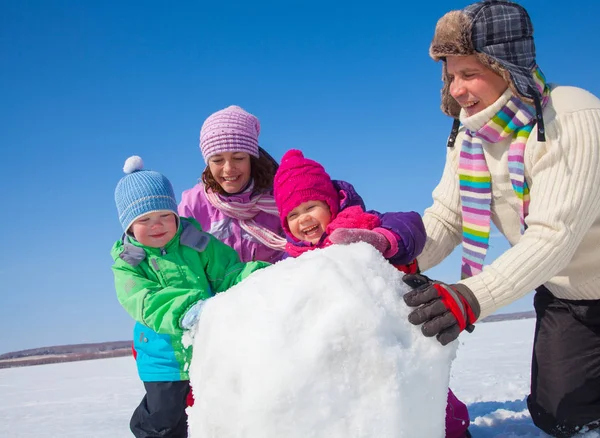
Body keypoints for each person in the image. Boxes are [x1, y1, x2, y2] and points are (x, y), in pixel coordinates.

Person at [400, 1, 600, 437]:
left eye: (469, 73)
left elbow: (553, 235)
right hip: (567, 293)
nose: (457, 89)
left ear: (507, 67)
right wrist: (400, 254)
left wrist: (469, 296)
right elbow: (447, 218)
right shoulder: (468, 136)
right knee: (558, 416)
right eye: (451, 76)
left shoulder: (570, 115)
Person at [273, 149, 471, 438]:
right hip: (341, 348)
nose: (303, 219)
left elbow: (410, 225)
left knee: (426, 393)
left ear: (330, 203)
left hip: (393, 334)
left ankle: (455, 432)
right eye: (293, 214)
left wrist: (382, 240)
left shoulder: (361, 222)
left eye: (311, 207)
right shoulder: (291, 260)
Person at [111, 155, 269, 438]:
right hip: (163, 358)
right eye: (145, 220)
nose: (157, 225)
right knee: (165, 418)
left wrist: (261, 277)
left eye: (164, 216)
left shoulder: (197, 243)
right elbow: (144, 300)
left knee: (213, 412)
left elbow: (229, 273)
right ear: (129, 227)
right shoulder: (129, 263)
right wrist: (186, 310)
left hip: (208, 349)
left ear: (175, 214)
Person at [178, 105, 286, 265]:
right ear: (208, 163)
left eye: (238, 158)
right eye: (217, 160)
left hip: (274, 283)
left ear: (251, 158)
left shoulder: (278, 195)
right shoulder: (193, 205)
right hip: (222, 289)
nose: (228, 169)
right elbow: (177, 253)